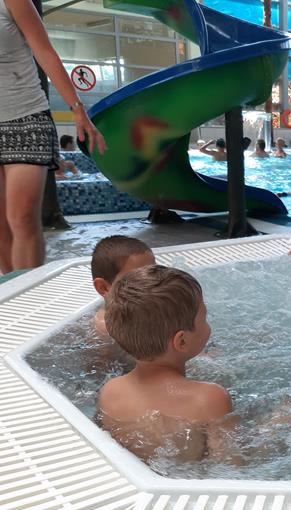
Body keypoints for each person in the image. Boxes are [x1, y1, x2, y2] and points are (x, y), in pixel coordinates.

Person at [0, 0, 105, 273]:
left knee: (22, 217)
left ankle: (28, 290)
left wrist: (77, 109)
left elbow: (44, 51)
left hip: (26, 118)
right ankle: (11, 290)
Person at [97, 265, 233, 462]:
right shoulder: (209, 398)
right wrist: (275, 424)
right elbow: (232, 464)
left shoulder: (110, 391)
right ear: (182, 341)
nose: (208, 324)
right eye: (204, 317)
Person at [90, 235, 155, 336]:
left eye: (153, 273)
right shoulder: (107, 328)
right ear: (103, 288)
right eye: (137, 279)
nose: (151, 283)